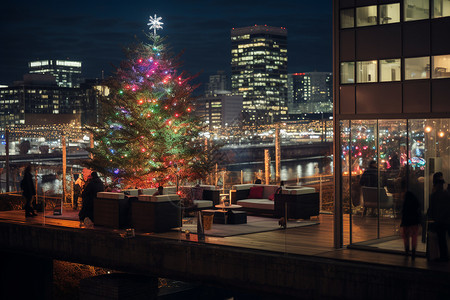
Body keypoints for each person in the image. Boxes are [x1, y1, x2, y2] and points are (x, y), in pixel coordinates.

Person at [427, 172, 450, 261]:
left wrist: (431, 217)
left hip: (438, 220)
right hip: (445, 220)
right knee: (443, 239)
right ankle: (444, 256)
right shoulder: (446, 194)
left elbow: (432, 208)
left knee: (441, 239)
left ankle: (441, 256)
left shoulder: (434, 195)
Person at [400, 178, 421, 260]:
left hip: (407, 220)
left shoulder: (407, 197)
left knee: (406, 236)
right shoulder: (415, 195)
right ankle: (413, 252)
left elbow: (404, 210)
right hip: (414, 219)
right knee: (414, 236)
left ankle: (407, 251)